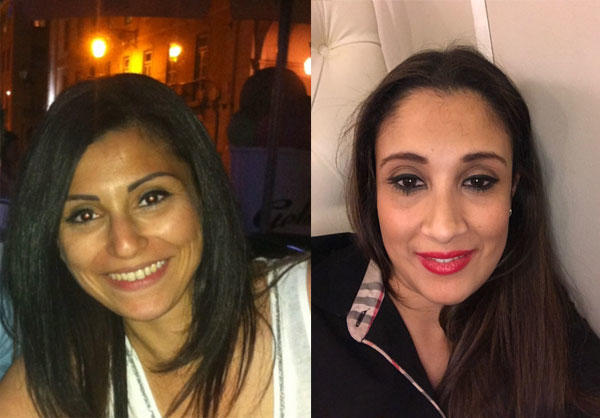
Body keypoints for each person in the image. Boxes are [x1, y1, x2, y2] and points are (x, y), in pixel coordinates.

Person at [312, 47, 600, 417]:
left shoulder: (541, 309)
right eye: (408, 181)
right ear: (373, 191)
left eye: (478, 181)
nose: (445, 228)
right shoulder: (307, 316)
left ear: (512, 189)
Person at [0, 73, 310, 417]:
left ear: (201, 194)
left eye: (151, 198)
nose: (125, 243)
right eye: (84, 215)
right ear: (54, 241)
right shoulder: (39, 399)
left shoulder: (319, 309)